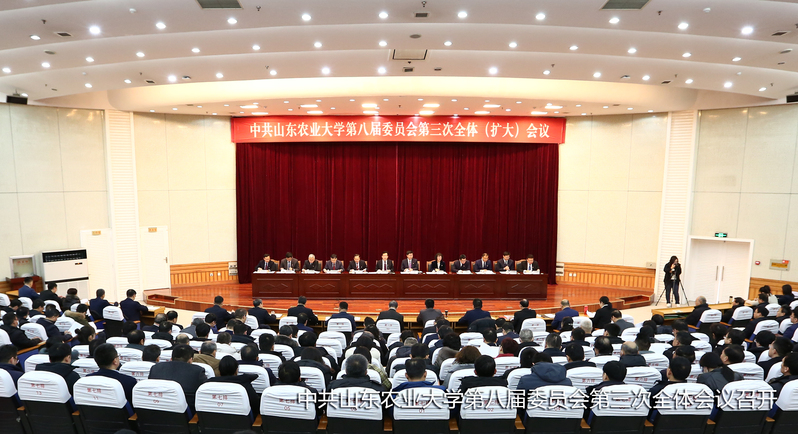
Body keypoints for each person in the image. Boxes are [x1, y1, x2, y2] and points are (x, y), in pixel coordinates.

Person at [148, 344, 207, 411]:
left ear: (171, 358)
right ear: (190, 360)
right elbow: (203, 395)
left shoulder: (155, 368)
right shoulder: (198, 371)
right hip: (185, 413)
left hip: (155, 409)